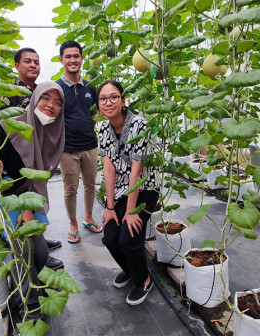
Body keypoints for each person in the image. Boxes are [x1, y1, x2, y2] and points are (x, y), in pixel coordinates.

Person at [0, 81, 65, 320]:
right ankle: (30, 305)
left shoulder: (51, 127)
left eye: (58, 102)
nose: (51, 106)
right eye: (46, 99)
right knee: (24, 251)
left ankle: (40, 280)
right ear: (34, 100)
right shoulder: (10, 125)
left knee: (39, 249)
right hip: (7, 193)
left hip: (30, 191)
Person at [97, 80, 160, 305]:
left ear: (124, 100)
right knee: (110, 237)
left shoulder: (139, 125)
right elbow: (108, 167)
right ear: (98, 105)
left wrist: (131, 211)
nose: (108, 102)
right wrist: (110, 208)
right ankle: (132, 270)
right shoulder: (102, 128)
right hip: (123, 189)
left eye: (114, 97)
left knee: (128, 237)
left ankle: (144, 280)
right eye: (103, 98)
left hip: (145, 188)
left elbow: (138, 170)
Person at [1, 47, 63, 264]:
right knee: (23, 210)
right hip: (15, 158)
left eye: (36, 62)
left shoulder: (40, 92)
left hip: (35, 157)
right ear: (17, 65)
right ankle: (38, 256)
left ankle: (40, 241)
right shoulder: (9, 93)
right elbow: (4, 131)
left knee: (35, 200)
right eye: (28, 61)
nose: (33, 65)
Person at [56, 41, 102, 243]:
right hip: (67, 149)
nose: (73, 60)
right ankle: (73, 223)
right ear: (61, 60)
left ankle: (88, 216)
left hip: (90, 146)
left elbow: (93, 114)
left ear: (82, 59)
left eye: (76, 56)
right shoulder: (56, 88)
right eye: (68, 56)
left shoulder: (90, 88)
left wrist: (86, 131)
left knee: (91, 184)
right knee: (70, 188)